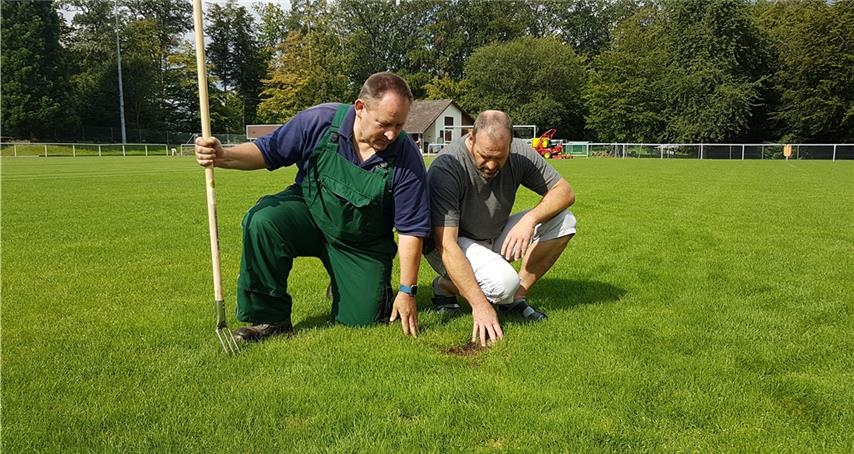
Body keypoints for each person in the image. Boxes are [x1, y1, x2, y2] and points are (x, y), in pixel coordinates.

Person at [195, 72, 429, 341]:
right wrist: (223, 155)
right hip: (310, 215)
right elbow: (268, 151)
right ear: (360, 108)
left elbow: (411, 230)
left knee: (363, 319)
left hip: (361, 244)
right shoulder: (319, 121)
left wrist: (407, 291)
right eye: (384, 124)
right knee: (263, 220)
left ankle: (346, 283)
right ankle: (271, 320)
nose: (391, 134)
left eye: (399, 125)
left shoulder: (406, 156)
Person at [425, 110, 576, 346]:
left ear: (510, 144)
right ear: (471, 138)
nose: (491, 165)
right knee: (503, 283)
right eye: (484, 156)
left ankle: (515, 298)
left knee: (564, 221)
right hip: (452, 243)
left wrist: (530, 220)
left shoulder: (519, 152)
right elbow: (446, 244)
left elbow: (565, 192)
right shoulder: (447, 167)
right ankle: (445, 285)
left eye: (500, 157)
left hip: (492, 233)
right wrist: (480, 305)